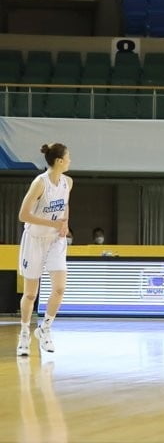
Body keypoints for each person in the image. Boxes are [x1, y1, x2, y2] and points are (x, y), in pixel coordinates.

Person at [16, 143, 73, 357]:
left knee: (59, 288)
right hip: (35, 239)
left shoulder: (68, 182)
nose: (70, 161)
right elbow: (23, 215)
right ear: (59, 161)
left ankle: (45, 328)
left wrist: (65, 222)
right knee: (31, 293)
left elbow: (65, 204)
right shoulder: (40, 183)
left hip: (55, 241)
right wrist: (53, 224)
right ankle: (24, 333)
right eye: (68, 157)